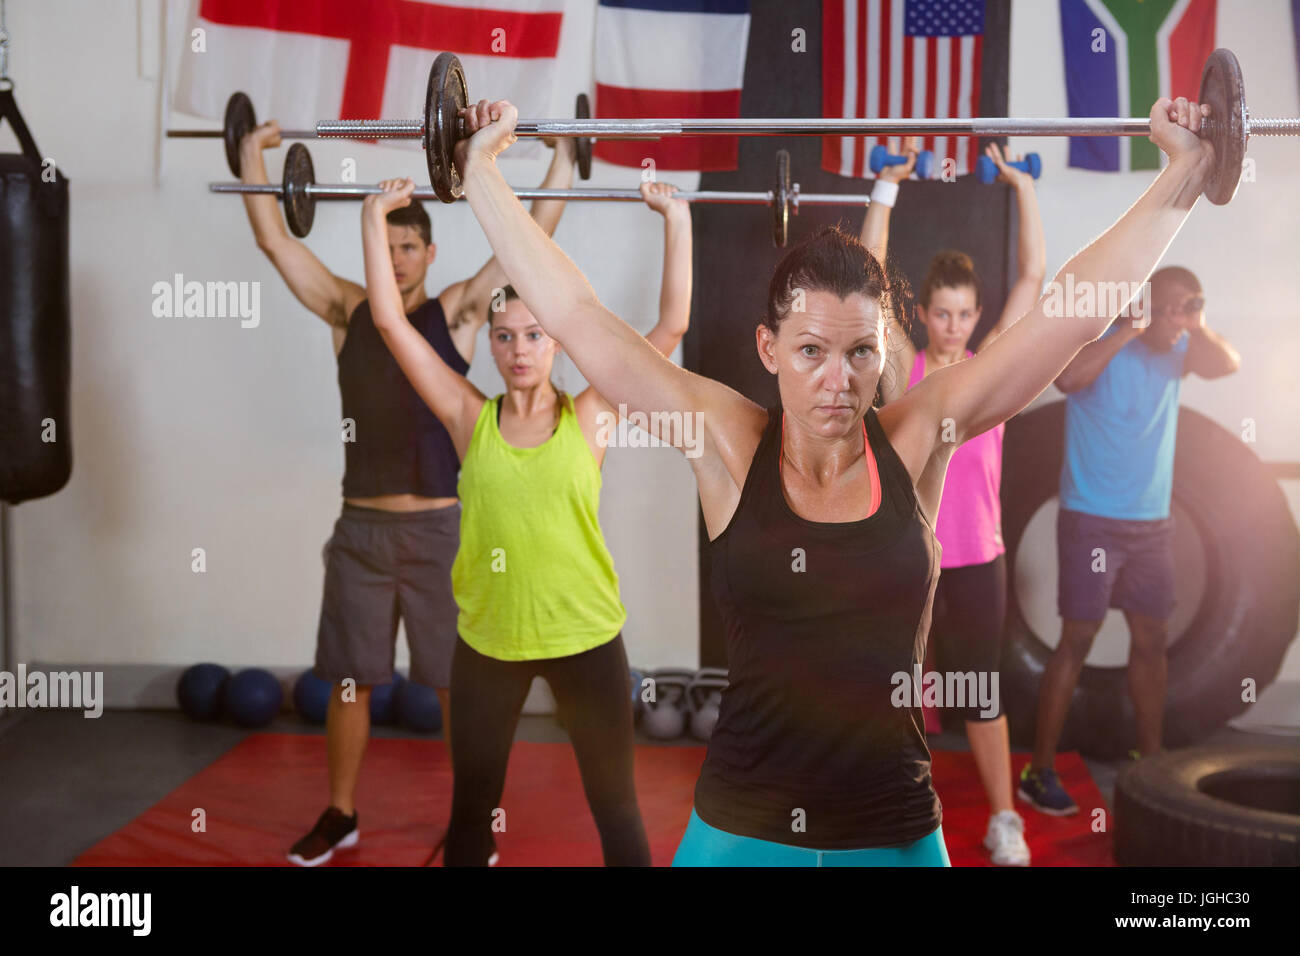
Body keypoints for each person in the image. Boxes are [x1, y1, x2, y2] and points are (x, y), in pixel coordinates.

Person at [450, 91, 1220, 866]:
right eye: (811, 351)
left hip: (892, 828)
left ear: (883, 355)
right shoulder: (723, 441)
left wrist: (1181, 177)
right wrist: (479, 172)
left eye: (860, 354)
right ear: (768, 348)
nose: (837, 382)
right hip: (740, 830)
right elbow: (579, 317)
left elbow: (1068, 316)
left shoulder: (919, 436)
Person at [234, 120, 577, 866]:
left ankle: (470, 821)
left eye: (408, 247)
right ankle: (341, 813)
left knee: (459, 688)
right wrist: (250, 155)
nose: (395, 258)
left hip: (444, 533)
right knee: (350, 682)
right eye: (386, 246)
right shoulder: (345, 310)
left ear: (428, 252)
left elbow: (526, 244)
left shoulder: (452, 312)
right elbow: (276, 244)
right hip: (360, 532)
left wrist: (563, 159)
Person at [360, 176, 694, 866]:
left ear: (558, 344)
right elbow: (391, 323)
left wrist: (677, 218)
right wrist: (370, 217)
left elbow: (672, 326)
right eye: (505, 335)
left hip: (587, 639)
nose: (519, 349)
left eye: (535, 335)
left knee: (617, 808)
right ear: (489, 344)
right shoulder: (465, 417)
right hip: (489, 643)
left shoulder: (594, 414)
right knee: (471, 816)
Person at [859, 140, 1045, 865]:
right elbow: (867, 285)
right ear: (926, 312)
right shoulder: (903, 366)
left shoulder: (987, 369)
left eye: (965, 314)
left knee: (982, 692)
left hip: (978, 559)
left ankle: (1004, 819)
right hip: (907, 557)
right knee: (892, 688)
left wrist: (1022, 185)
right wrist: (885, 186)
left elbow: (1033, 276)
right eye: (943, 313)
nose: (955, 327)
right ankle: (889, 812)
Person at [1019, 265, 1240, 815]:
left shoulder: (1184, 346)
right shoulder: (1113, 338)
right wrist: (1131, 329)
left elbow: (1228, 364)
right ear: (1148, 306)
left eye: (1185, 308)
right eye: (1168, 308)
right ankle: (1038, 770)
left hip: (1150, 524)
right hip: (1092, 520)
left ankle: (1150, 761)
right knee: (1078, 638)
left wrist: (1196, 319)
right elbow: (1066, 381)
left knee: (1151, 639)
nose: (1175, 320)